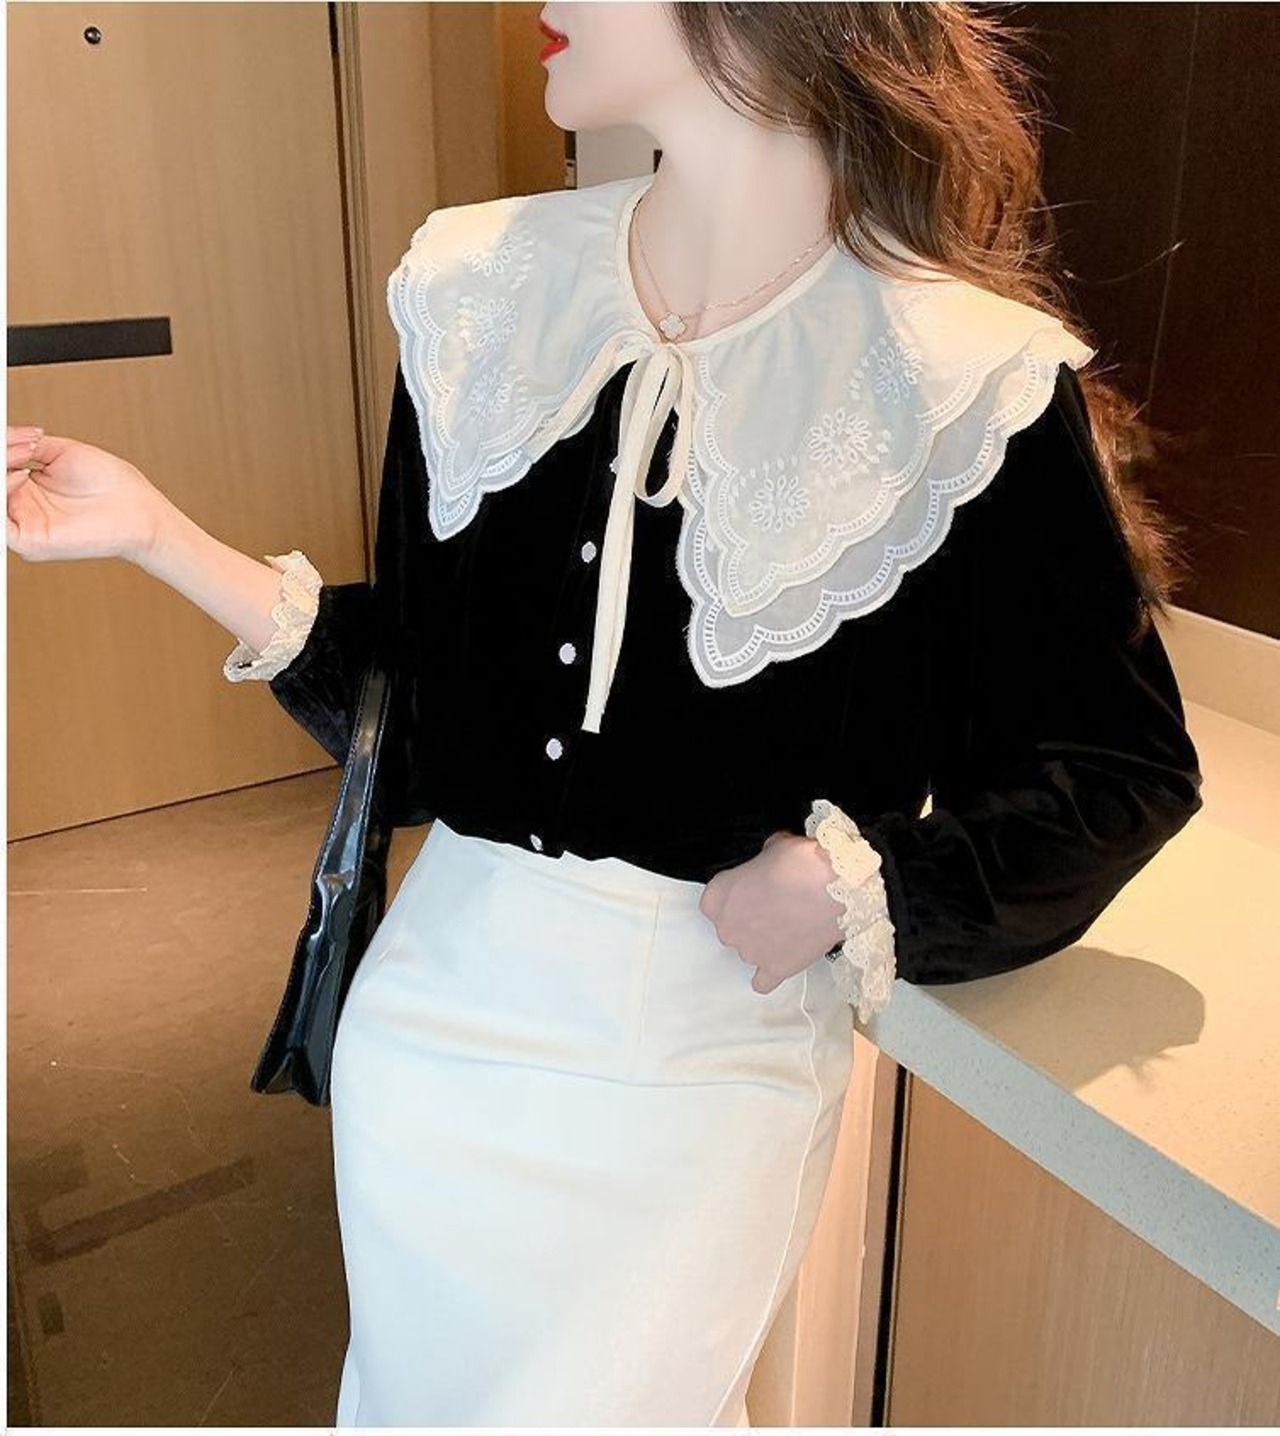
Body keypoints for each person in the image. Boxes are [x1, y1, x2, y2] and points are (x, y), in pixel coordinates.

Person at [6, 3, 1204, 1426]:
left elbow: (1121, 768)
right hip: (433, 1028)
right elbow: (425, 704)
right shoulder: (474, 282)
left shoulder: (964, 374)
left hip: (700, 1069)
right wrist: (156, 534)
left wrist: (852, 887)